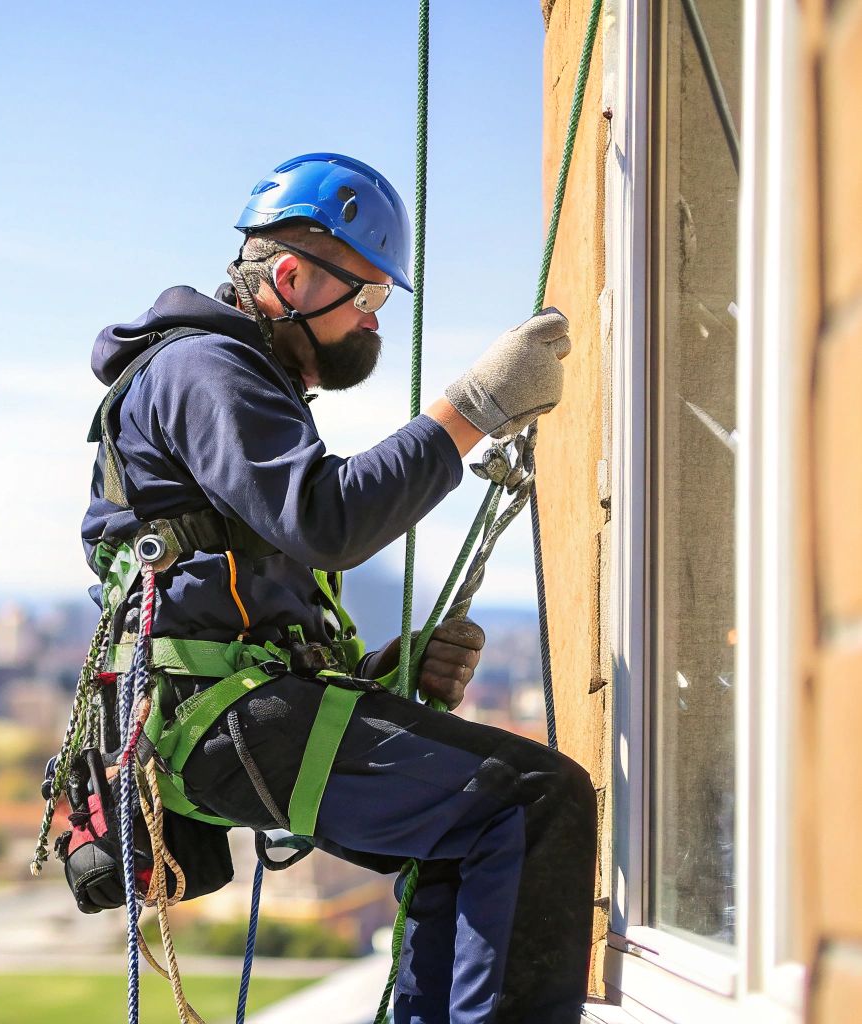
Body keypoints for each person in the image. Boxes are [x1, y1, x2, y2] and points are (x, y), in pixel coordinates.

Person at [79, 153, 594, 1024]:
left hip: (228, 712)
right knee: (534, 802)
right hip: (224, 715)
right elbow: (326, 520)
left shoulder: (228, 377)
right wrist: (474, 407)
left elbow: (252, 586)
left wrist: (388, 672)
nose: (373, 321)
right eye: (366, 298)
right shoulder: (206, 368)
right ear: (290, 278)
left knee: (464, 833)